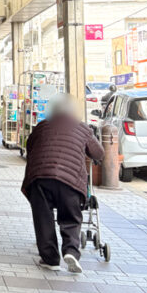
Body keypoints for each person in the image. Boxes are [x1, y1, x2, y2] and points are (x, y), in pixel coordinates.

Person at [22, 93, 104, 274]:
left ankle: (50, 259)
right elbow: (98, 153)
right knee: (71, 216)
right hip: (70, 179)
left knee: (43, 217)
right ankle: (71, 251)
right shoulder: (83, 129)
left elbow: (30, 147)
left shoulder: (42, 126)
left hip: (40, 177)